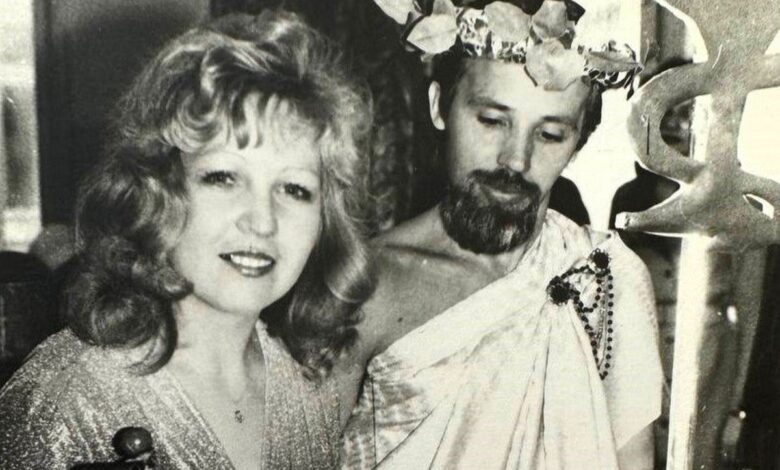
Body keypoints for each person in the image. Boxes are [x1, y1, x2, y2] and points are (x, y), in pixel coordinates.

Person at [0, 10, 372, 470]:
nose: (262, 222)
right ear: (157, 194)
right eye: (224, 178)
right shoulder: (65, 403)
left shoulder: (311, 387)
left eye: (294, 189)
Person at [338, 1, 663, 468]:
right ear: (439, 106)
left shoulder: (603, 278)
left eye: (550, 134)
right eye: (492, 121)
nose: (516, 159)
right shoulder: (363, 283)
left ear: (579, 141)